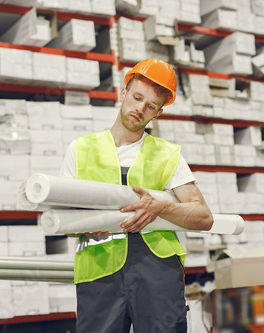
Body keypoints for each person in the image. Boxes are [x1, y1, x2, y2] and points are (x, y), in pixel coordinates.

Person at [59, 58, 214, 333]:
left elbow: (203, 216)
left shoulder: (167, 154)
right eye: (137, 97)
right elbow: (63, 220)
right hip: (99, 273)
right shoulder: (80, 149)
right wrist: (84, 226)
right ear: (123, 93)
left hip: (157, 273)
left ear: (158, 113)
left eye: (151, 106)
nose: (140, 108)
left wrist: (160, 207)